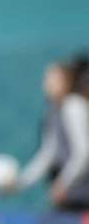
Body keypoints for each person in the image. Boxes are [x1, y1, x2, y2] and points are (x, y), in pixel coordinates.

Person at [17, 61, 89, 211]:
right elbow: (49, 153)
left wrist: (64, 183)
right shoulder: (53, 110)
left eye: (52, 79)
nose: (46, 84)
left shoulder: (74, 106)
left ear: (67, 81)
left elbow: (83, 153)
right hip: (71, 195)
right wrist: (21, 182)